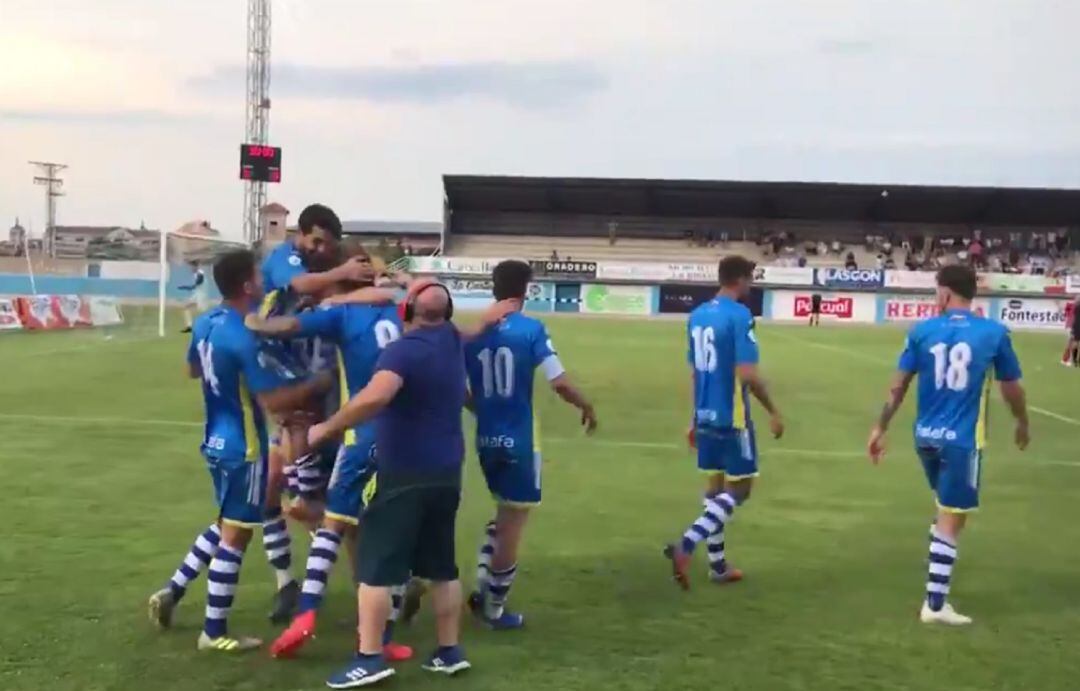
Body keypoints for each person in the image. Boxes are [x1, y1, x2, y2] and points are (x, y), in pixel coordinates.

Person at [147, 249, 331, 652]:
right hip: (245, 447)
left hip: (214, 438)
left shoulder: (207, 322)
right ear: (247, 285)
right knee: (236, 537)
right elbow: (274, 402)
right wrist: (317, 385)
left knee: (225, 521)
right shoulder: (245, 335)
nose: (264, 280)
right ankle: (213, 632)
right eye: (258, 276)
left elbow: (193, 369)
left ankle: (174, 591)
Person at [309, 281, 475, 687]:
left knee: (376, 568)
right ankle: (449, 651)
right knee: (441, 566)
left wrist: (326, 428)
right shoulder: (453, 342)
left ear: (406, 312)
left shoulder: (404, 350)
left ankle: (369, 657)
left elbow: (376, 397)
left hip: (404, 472)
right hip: (447, 473)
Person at [246, 280, 414, 662]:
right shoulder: (401, 312)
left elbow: (286, 327)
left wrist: (254, 322)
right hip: (407, 434)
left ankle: (306, 613)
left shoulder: (339, 314)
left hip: (357, 431)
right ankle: (388, 624)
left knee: (333, 524)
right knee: (387, 527)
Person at [867, 264, 1029, 625]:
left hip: (924, 438)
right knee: (953, 519)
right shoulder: (994, 332)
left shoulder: (923, 330)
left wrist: (880, 427)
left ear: (944, 292)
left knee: (945, 508)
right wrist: (1022, 422)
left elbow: (898, 385)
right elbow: (1011, 388)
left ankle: (937, 564)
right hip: (962, 441)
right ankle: (935, 605)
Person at [463, 260, 597, 630]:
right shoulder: (531, 329)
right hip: (520, 441)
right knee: (513, 524)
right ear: (528, 289)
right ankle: (494, 610)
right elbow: (559, 382)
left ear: (493, 287)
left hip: (486, 437)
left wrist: (483, 409)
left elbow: (460, 389)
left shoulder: (474, 334)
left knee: (502, 515)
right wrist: (586, 406)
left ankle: (480, 589)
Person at [259, 203, 374, 623]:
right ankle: (286, 585)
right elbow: (295, 296)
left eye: (328, 245)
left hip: (332, 413)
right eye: (316, 241)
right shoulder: (288, 266)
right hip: (298, 408)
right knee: (270, 488)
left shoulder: (337, 301)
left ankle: (378, 592)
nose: (321, 250)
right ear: (302, 234)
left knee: (337, 510)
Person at [664, 256, 784, 589]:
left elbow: (694, 371)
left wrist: (693, 415)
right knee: (740, 489)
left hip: (704, 414)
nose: (752, 286)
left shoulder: (698, 315)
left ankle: (718, 567)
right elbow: (747, 374)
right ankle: (686, 544)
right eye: (751, 279)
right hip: (731, 417)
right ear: (740, 280)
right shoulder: (740, 315)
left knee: (714, 490)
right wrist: (773, 410)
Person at [180, 261, 207, 334]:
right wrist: (186, 287)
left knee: (202, 312)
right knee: (186, 307)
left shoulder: (200, 273)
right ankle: (189, 326)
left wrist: (190, 287)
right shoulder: (196, 274)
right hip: (197, 295)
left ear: (196, 267)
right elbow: (196, 285)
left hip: (200, 296)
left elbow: (199, 282)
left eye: (192, 267)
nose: (190, 269)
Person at [1060, 295, 1080, 367]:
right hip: (1072, 327)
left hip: (1075, 327)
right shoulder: (1073, 306)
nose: (1077, 300)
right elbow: (1065, 311)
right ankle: (1067, 360)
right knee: (1070, 343)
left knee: (1073, 344)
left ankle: (1069, 360)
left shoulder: (1075, 306)